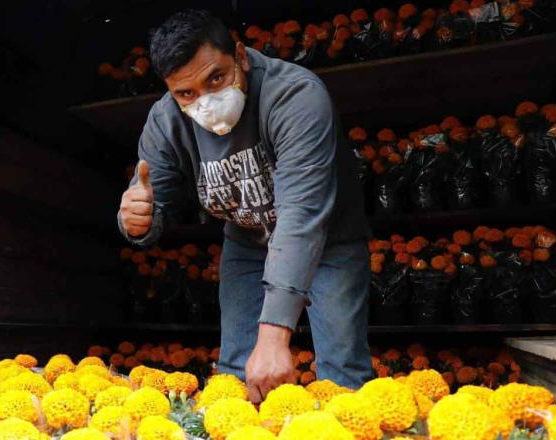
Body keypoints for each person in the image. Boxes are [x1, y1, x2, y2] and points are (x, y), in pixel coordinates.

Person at [118, 10, 373, 402]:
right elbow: (156, 198)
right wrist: (137, 220)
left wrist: (273, 335)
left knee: (341, 373)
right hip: (247, 242)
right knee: (237, 376)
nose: (206, 101)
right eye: (186, 93)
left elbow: (302, 215)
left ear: (240, 55)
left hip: (328, 239)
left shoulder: (294, 96)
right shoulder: (165, 121)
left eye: (216, 78)